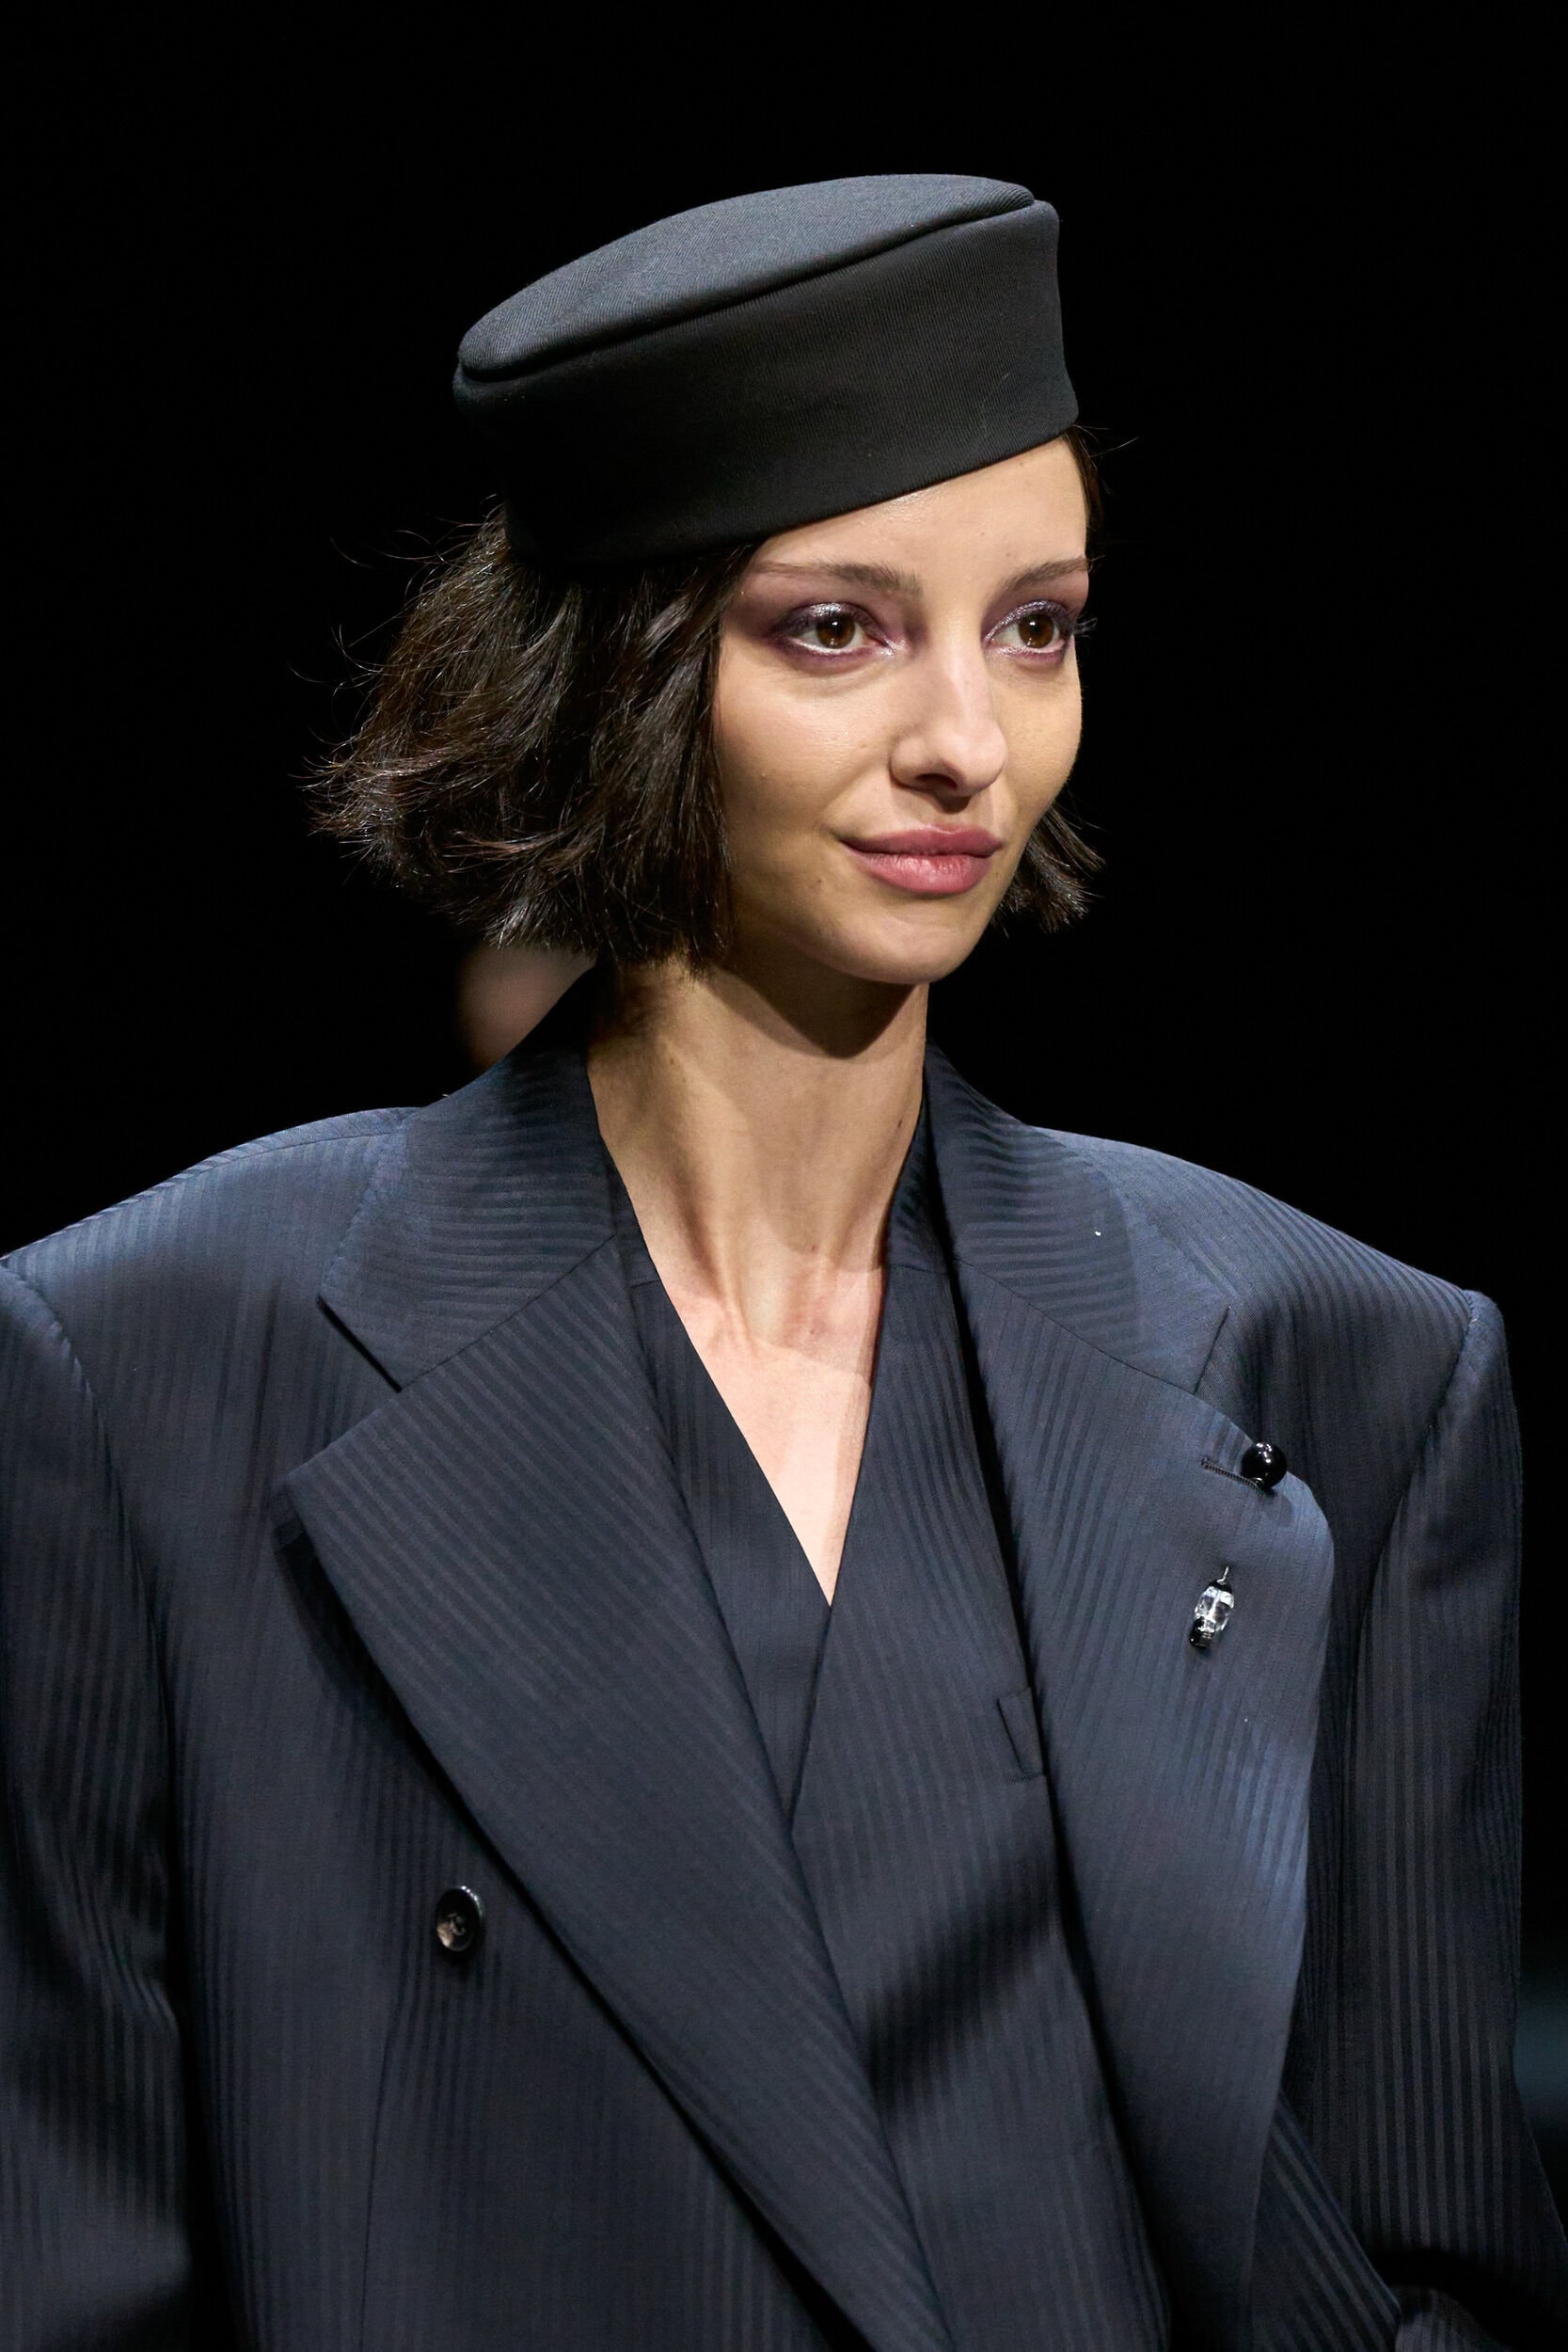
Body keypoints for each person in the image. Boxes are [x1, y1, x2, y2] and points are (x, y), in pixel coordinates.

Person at [2, 175, 1562, 2352]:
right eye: (838, 626)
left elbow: (1432, 2247)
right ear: (617, 665)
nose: (966, 740)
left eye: (1037, 625)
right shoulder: (147, 1364)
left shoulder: (1350, 1366)